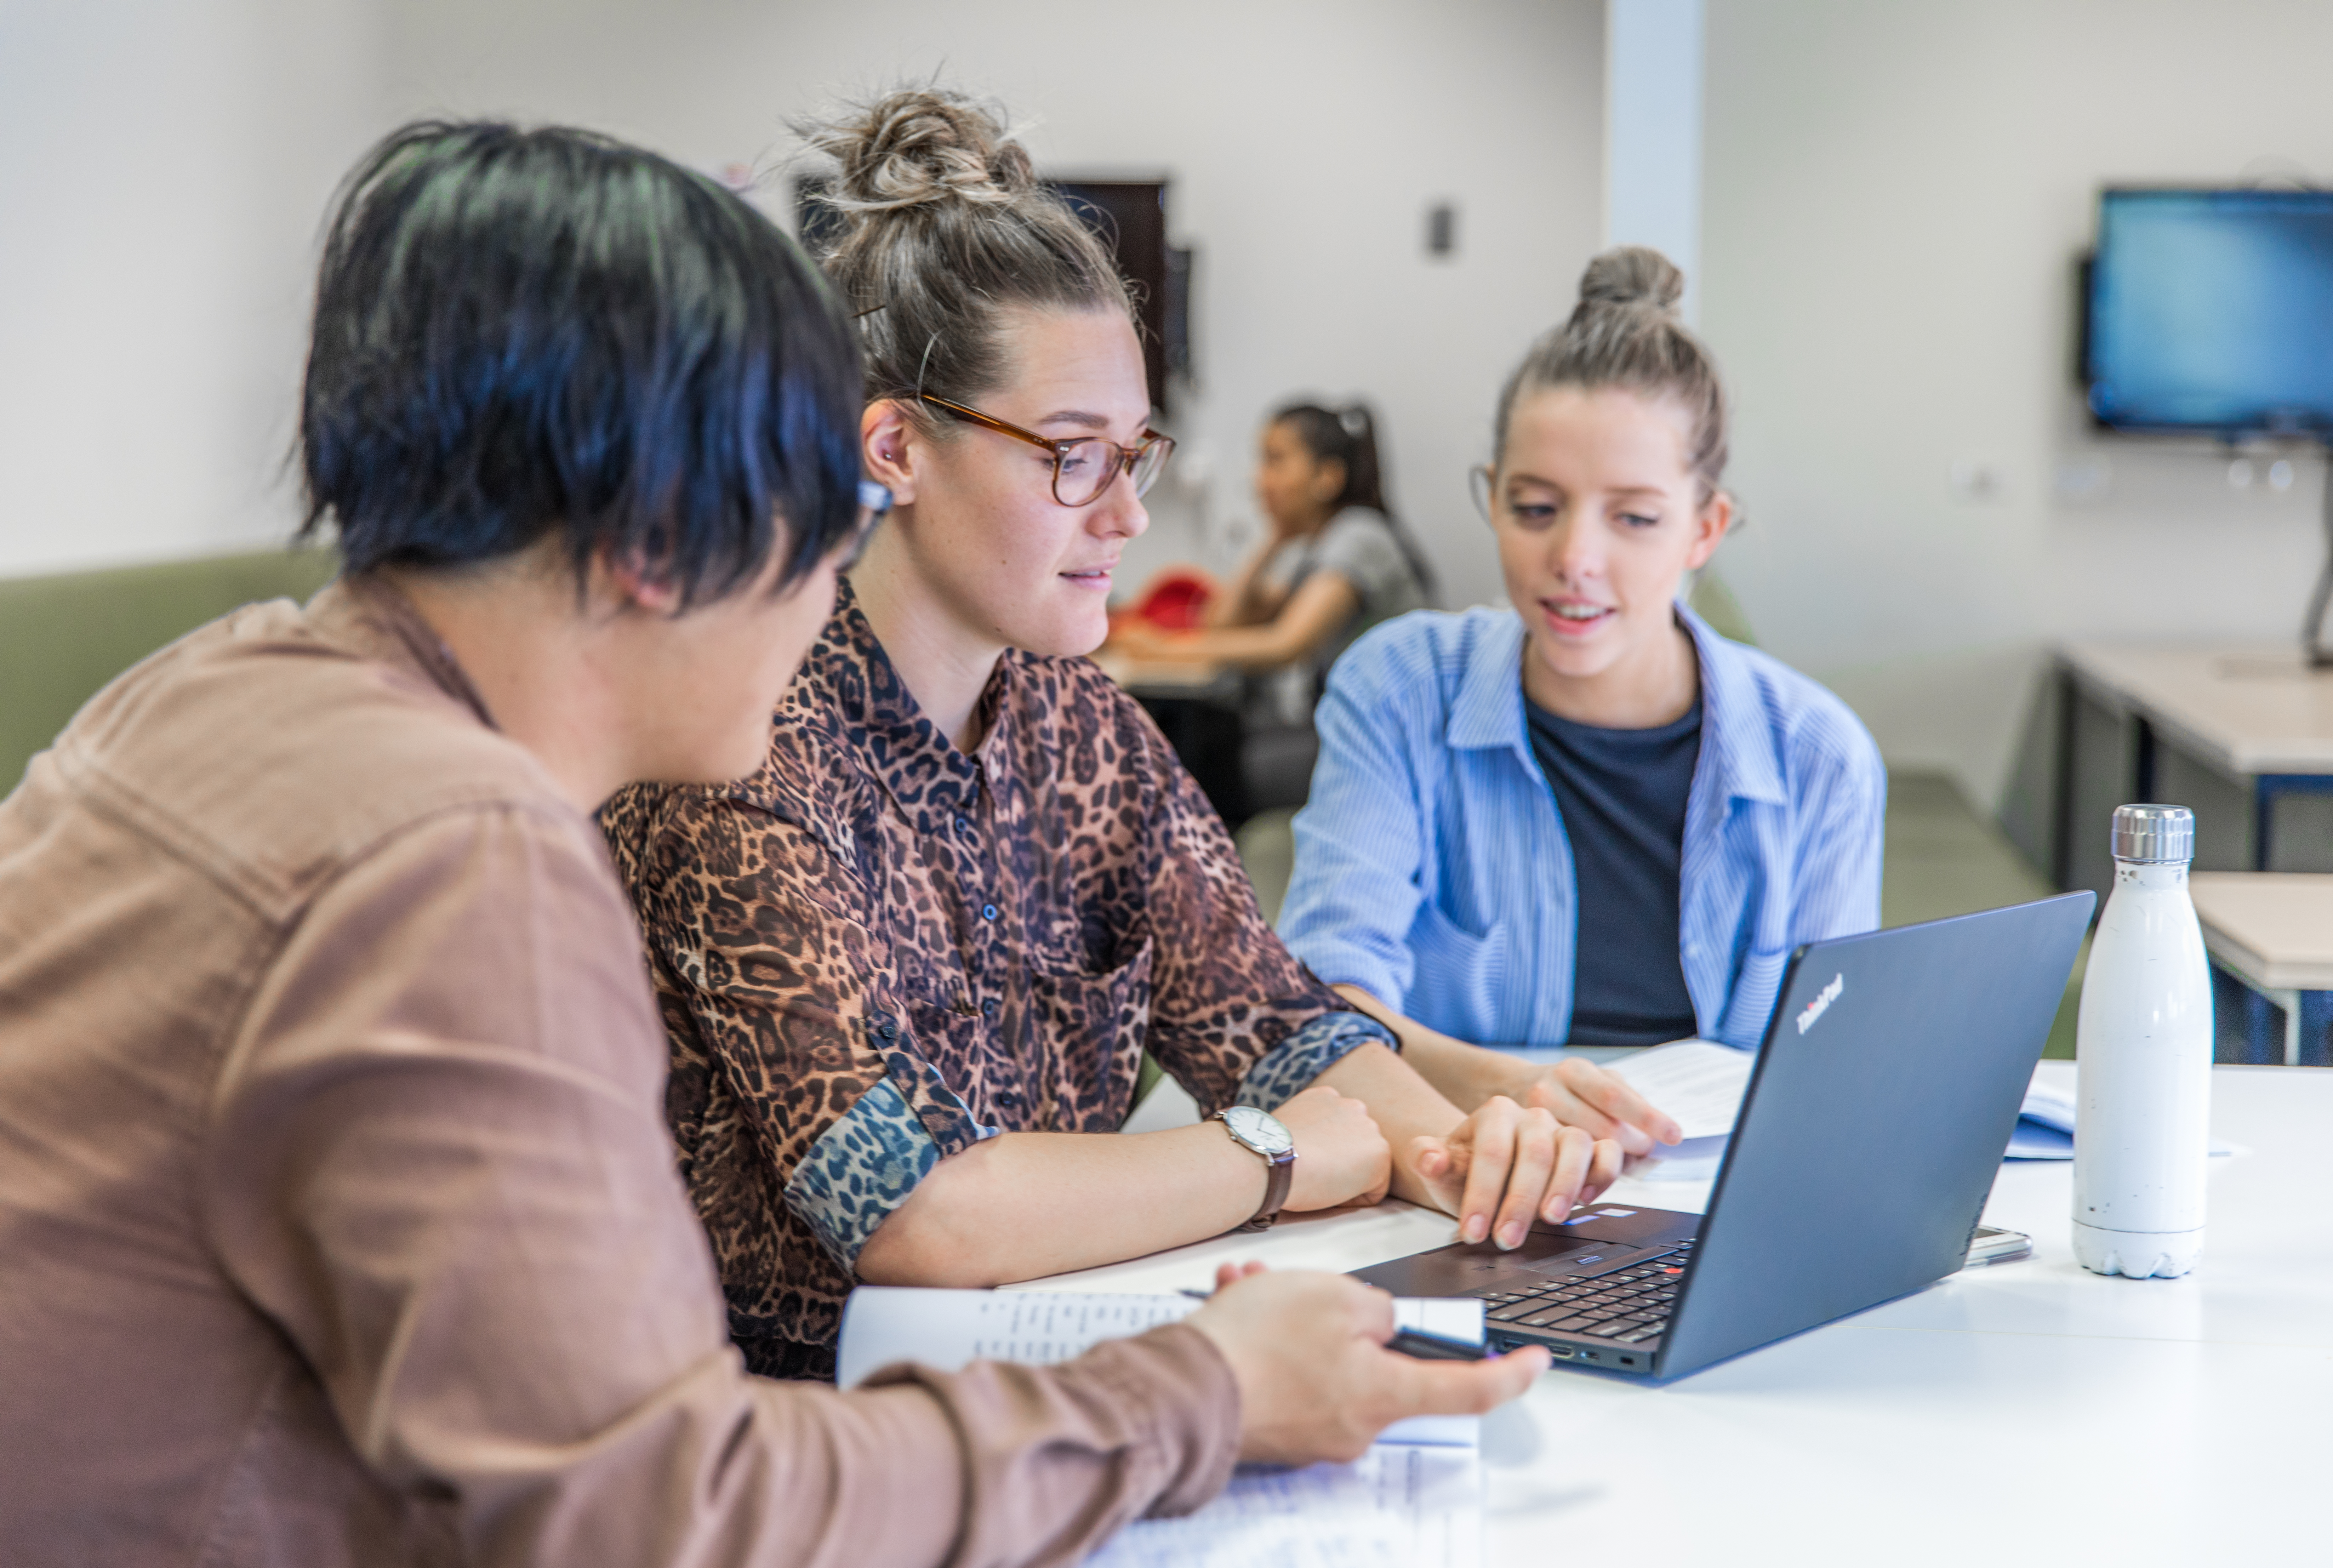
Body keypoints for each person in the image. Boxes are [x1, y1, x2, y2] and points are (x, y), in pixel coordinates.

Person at [0, 120, 1547, 1568]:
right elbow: (666, 1523)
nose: (827, 576)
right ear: (653, 528)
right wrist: (1193, 1391)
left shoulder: (201, 695)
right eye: (811, 509)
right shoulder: (457, 861)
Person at [600, 86, 1622, 1387]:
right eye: (1072, 458)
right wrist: (1274, 1154)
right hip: (782, 1438)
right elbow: (917, 1213)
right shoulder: (743, 746)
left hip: (1040, 1388)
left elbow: (1279, 1026)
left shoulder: (1084, 730)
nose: (1127, 515)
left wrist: (1461, 1156)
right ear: (896, 446)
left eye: (1134, 456)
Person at [1277, 247, 1884, 1148]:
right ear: (1492, 500)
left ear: (1705, 528)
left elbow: (1832, 1065)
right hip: (1454, 1170)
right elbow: (1322, 999)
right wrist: (1509, 1090)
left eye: (1634, 518)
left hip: (1711, 1203)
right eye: (1535, 509)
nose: (1575, 559)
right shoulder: (1399, 689)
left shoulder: (1819, 756)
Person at [1117, 401, 1433, 820]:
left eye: (1275, 461)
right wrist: (1275, 537)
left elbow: (1286, 645)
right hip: (1342, 727)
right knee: (1209, 737)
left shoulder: (1359, 536)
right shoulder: (1317, 546)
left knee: (1214, 764)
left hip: (1387, 746)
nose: (1259, 478)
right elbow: (1223, 621)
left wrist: (1160, 650)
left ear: (1328, 478)